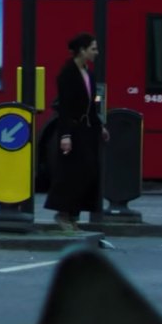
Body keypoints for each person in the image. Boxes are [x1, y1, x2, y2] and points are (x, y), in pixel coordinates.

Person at [44, 32, 109, 231]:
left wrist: (101, 126)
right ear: (82, 50)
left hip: (87, 130)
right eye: (93, 49)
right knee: (71, 174)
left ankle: (74, 216)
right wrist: (65, 136)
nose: (96, 53)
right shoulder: (67, 74)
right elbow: (65, 107)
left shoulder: (89, 74)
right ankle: (63, 214)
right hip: (73, 130)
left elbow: (90, 106)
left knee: (88, 173)